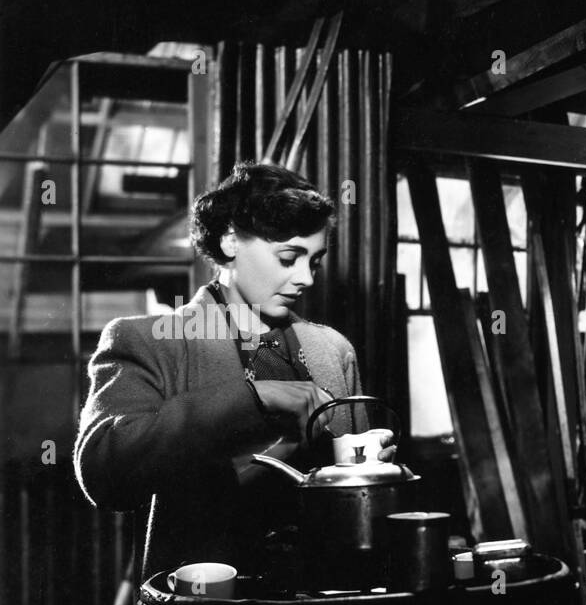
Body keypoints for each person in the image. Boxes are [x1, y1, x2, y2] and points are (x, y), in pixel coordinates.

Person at [74, 160, 385, 583]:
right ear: (230, 240)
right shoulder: (150, 342)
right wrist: (254, 398)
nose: (306, 278)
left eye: (315, 260)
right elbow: (104, 473)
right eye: (289, 257)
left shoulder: (333, 351)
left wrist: (364, 466)